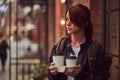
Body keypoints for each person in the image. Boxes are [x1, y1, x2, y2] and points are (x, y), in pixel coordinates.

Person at [48, 4, 106, 80]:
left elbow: (101, 78)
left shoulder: (96, 50)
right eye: (66, 19)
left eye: (72, 19)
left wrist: (79, 75)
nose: (68, 23)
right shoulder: (59, 47)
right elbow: (50, 76)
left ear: (85, 23)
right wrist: (53, 73)